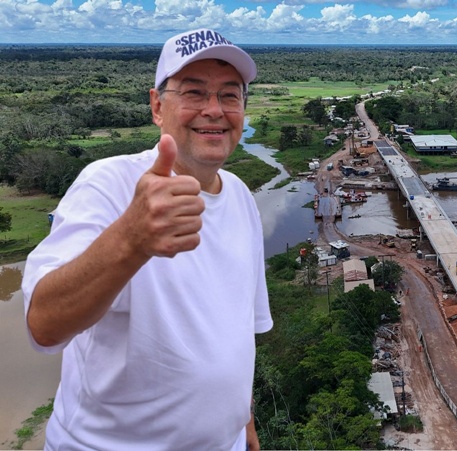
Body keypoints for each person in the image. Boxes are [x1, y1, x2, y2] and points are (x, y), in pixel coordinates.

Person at [22, 28, 272, 450]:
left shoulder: (241, 196)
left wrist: (242, 421)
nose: (214, 110)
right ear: (157, 106)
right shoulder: (109, 184)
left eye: (230, 96)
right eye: (194, 92)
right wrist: (130, 240)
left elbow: (235, 335)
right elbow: (43, 325)